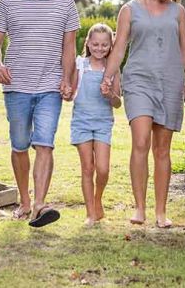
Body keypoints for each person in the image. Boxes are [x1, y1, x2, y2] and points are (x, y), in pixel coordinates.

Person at [0, 0, 80, 228]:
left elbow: (69, 48)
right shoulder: (8, 3)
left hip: (50, 86)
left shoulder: (66, 4)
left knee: (45, 143)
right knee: (19, 145)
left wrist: (67, 79)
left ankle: (39, 205)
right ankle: (24, 201)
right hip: (16, 87)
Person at [102, 0, 185, 228]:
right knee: (141, 142)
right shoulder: (129, 10)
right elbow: (119, 47)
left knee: (162, 150)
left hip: (169, 81)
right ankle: (140, 208)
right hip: (139, 80)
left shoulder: (178, 11)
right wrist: (108, 77)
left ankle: (161, 211)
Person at [70, 23, 121, 226]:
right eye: (96, 44)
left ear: (111, 46)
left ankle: (97, 198)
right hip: (81, 121)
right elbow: (71, 93)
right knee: (87, 168)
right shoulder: (79, 65)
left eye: (104, 45)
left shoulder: (113, 69)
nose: (100, 48)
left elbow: (117, 103)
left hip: (103, 123)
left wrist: (109, 94)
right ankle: (90, 212)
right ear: (88, 43)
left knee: (102, 169)